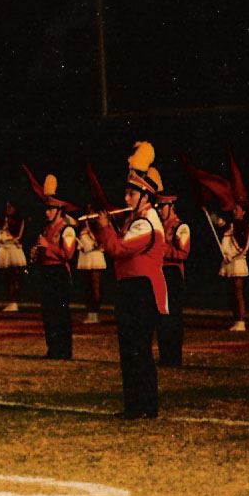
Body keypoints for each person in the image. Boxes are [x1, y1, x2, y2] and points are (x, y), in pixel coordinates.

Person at [91, 142, 167, 420]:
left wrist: (104, 228)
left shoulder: (145, 223)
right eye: (126, 192)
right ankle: (138, 405)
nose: (125, 198)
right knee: (132, 349)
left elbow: (118, 250)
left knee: (137, 349)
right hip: (132, 288)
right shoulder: (136, 220)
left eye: (131, 193)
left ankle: (141, 406)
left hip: (140, 289)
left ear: (145, 196)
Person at [29, 175, 77, 359]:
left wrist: (47, 246)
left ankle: (64, 350)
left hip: (59, 272)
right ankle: (53, 348)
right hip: (46, 271)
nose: (47, 212)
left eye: (50, 209)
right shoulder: (46, 229)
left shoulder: (67, 229)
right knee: (48, 312)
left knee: (60, 312)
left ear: (59, 210)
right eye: (46, 209)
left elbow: (67, 254)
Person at [156, 184, 189, 364]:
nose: (160, 210)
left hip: (173, 272)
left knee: (174, 315)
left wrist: (161, 249)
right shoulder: (158, 226)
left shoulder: (180, 227)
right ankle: (164, 355)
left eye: (163, 206)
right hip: (159, 272)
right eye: (159, 206)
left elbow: (183, 253)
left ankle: (174, 356)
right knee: (161, 315)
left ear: (171, 206)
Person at [217, 204, 249, 332]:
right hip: (228, 261)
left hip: (237, 261)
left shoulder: (246, 226)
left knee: (238, 292)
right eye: (233, 209)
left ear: (243, 212)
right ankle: (236, 320)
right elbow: (218, 222)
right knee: (231, 292)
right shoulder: (230, 224)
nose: (234, 212)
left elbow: (244, 246)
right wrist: (209, 211)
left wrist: (231, 256)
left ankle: (241, 321)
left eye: (237, 209)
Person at [0, 202, 26, 312]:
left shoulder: (19, 220)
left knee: (14, 277)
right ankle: (10, 301)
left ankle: (14, 302)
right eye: (6, 207)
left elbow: (19, 236)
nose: (8, 209)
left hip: (13, 249)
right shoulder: (3, 220)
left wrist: (8, 239)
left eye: (10, 207)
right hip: (4, 249)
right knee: (7, 277)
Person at [76, 212, 107, 324]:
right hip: (86, 259)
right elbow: (82, 246)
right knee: (87, 287)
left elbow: (102, 244)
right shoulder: (82, 231)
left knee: (95, 287)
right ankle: (90, 313)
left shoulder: (98, 230)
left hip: (96, 259)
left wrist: (94, 244)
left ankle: (95, 313)